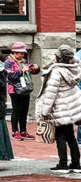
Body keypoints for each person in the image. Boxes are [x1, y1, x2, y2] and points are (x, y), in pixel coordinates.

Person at [36, 45, 81, 173]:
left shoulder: (56, 71)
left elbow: (51, 94)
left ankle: (63, 164)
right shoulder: (74, 68)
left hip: (60, 110)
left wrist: (44, 112)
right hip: (70, 109)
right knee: (71, 136)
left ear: (59, 58)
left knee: (60, 136)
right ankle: (76, 164)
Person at [4, 42, 39, 141]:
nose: (23, 55)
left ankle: (23, 131)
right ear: (15, 52)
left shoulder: (23, 61)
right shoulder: (8, 61)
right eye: (21, 53)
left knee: (24, 110)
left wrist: (36, 69)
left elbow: (32, 71)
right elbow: (9, 75)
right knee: (17, 110)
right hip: (15, 89)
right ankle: (15, 132)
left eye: (23, 53)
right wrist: (22, 71)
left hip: (25, 88)